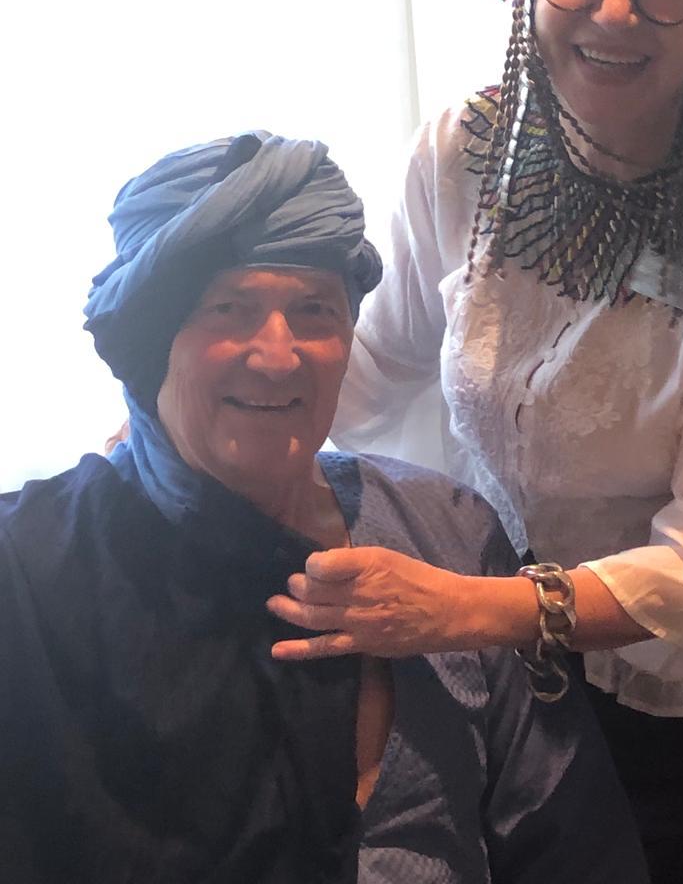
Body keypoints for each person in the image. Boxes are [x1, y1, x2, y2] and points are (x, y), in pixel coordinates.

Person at [267, 0, 683, 881]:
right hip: (498, 663)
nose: (615, 11)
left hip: (677, 703)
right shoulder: (467, 152)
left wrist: (461, 607)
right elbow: (381, 359)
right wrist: (188, 436)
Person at [0, 131, 649, 883]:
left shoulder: (447, 532)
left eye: (314, 310)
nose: (277, 356)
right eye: (229, 308)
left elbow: (569, 837)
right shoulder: (29, 571)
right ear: (152, 341)